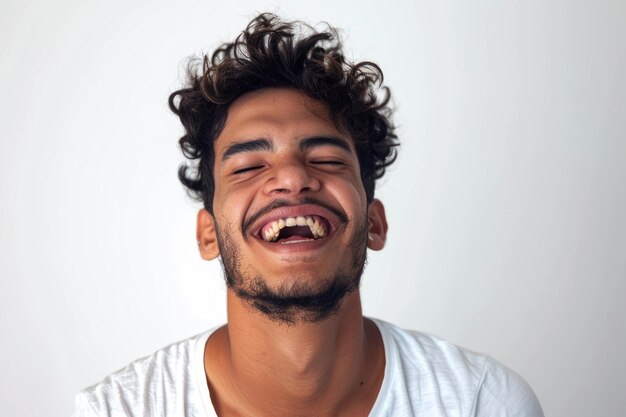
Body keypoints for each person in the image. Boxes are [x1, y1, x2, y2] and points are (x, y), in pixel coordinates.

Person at [73, 13, 544, 417]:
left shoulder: (482, 402)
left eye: (327, 159)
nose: (292, 178)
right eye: (250, 165)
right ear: (209, 234)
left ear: (374, 223)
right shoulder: (117, 411)